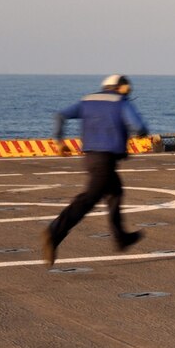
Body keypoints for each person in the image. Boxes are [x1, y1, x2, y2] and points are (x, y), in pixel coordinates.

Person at [42, 75, 150, 266]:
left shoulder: (88, 100)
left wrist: (59, 141)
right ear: (121, 87)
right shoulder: (120, 102)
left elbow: (60, 115)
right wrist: (141, 133)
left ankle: (121, 238)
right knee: (88, 199)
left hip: (91, 157)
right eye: (127, 88)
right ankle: (54, 232)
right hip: (105, 160)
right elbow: (138, 126)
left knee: (115, 192)